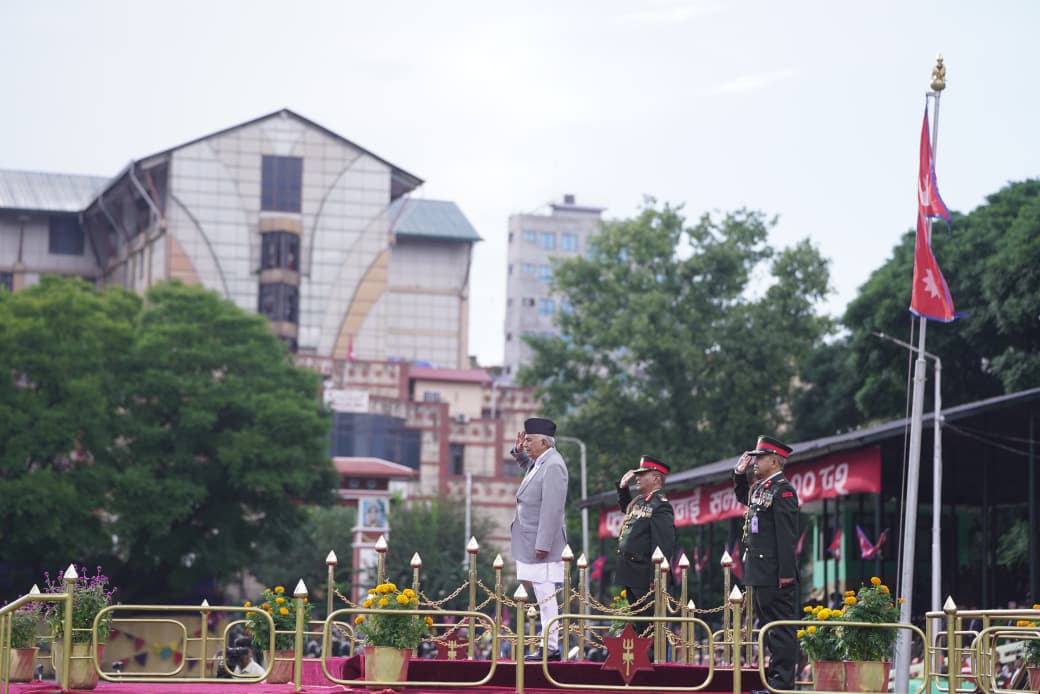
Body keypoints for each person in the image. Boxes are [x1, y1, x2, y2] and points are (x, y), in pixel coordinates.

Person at [733, 435, 800, 694]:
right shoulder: (762, 489)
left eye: (759, 458)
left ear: (774, 461)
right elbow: (744, 497)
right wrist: (739, 475)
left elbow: (786, 536)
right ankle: (774, 683)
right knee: (770, 630)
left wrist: (786, 573)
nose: (754, 462)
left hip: (774, 573)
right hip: (760, 572)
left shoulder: (783, 490)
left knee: (780, 630)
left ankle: (781, 686)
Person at [510, 417, 569, 662]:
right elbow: (531, 472)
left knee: (546, 598)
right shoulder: (541, 462)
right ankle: (548, 645)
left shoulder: (553, 465)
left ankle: (551, 647)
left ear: (544, 442)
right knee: (542, 596)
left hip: (541, 544)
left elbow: (552, 509)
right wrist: (518, 453)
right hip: (530, 541)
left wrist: (543, 545)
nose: (526, 445)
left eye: (530, 441)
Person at [615, 455, 676, 621]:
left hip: (644, 577)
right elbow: (628, 510)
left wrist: (656, 577)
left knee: (650, 625)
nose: (637, 477)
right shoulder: (642, 501)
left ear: (656, 478)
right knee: (640, 626)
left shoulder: (661, 505)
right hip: (632, 573)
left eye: (642, 474)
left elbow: (663, 544)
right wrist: (623, 488)